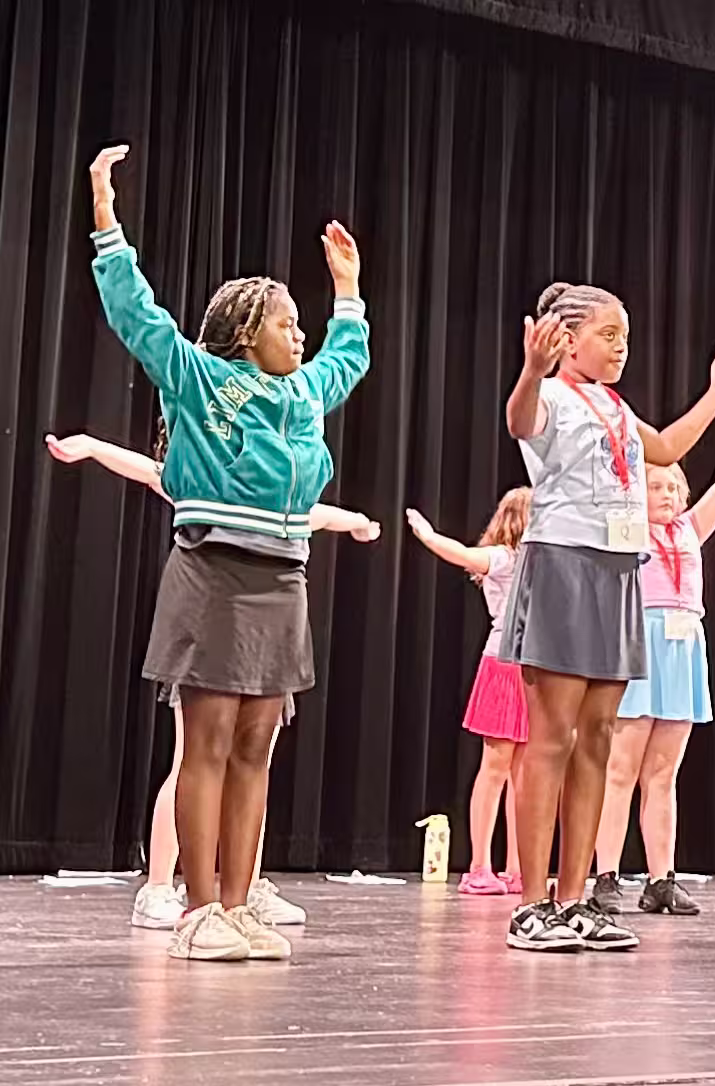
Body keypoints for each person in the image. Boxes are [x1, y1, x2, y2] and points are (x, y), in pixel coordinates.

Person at [86, 143, 372, 960]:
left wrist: (347, 289)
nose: (301, 333)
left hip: (284, 581)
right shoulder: (202, 377)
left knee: (256, 747)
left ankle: (241, 906)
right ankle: (197, 909)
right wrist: (107, 218)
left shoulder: (305, 389)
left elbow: (348, 359)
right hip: (213, 571)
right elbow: (137, 314)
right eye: (288, 322)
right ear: (248, 332)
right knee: (206, 746)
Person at [499, 280, 715, 952]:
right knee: (552, 739)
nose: (621, 348)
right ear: (568, 338)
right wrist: (531, 369)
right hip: (563, 565)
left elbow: (666, 447)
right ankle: (531, 905)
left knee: (599, 737)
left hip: (619, 570)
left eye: (626, 338)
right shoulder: (552, 394)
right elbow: (519, 422)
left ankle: (576, 896)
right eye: (609, 335)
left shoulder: (615, 406)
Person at [45, 432, 377, 929]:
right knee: (192, 760)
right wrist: (91, 446)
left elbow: (317, 515)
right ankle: (158, 887)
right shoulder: (203, 484)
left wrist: (355, 523)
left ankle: (246, 886)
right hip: (213, 633)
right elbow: (146, 469)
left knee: (254, 765)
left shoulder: (280, 494)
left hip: (266, 640)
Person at [589, 402, 715, 917]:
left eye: (673, 488)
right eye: (656, 486)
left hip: (685, 648)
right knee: (621, 770)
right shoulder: (627, 529)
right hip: (640, 646)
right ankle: (604, 876)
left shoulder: (690, 528)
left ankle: (662, 878)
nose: (666, 495)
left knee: (663, 773)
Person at [404, 490, 534, 896]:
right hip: (503, 667)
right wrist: (427, 536)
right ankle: (480, 865)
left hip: (536, 672)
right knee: (495, 768)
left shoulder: (541, 565)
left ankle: (517, 867)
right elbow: (462, 554)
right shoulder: (502, 558)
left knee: (525, 776)